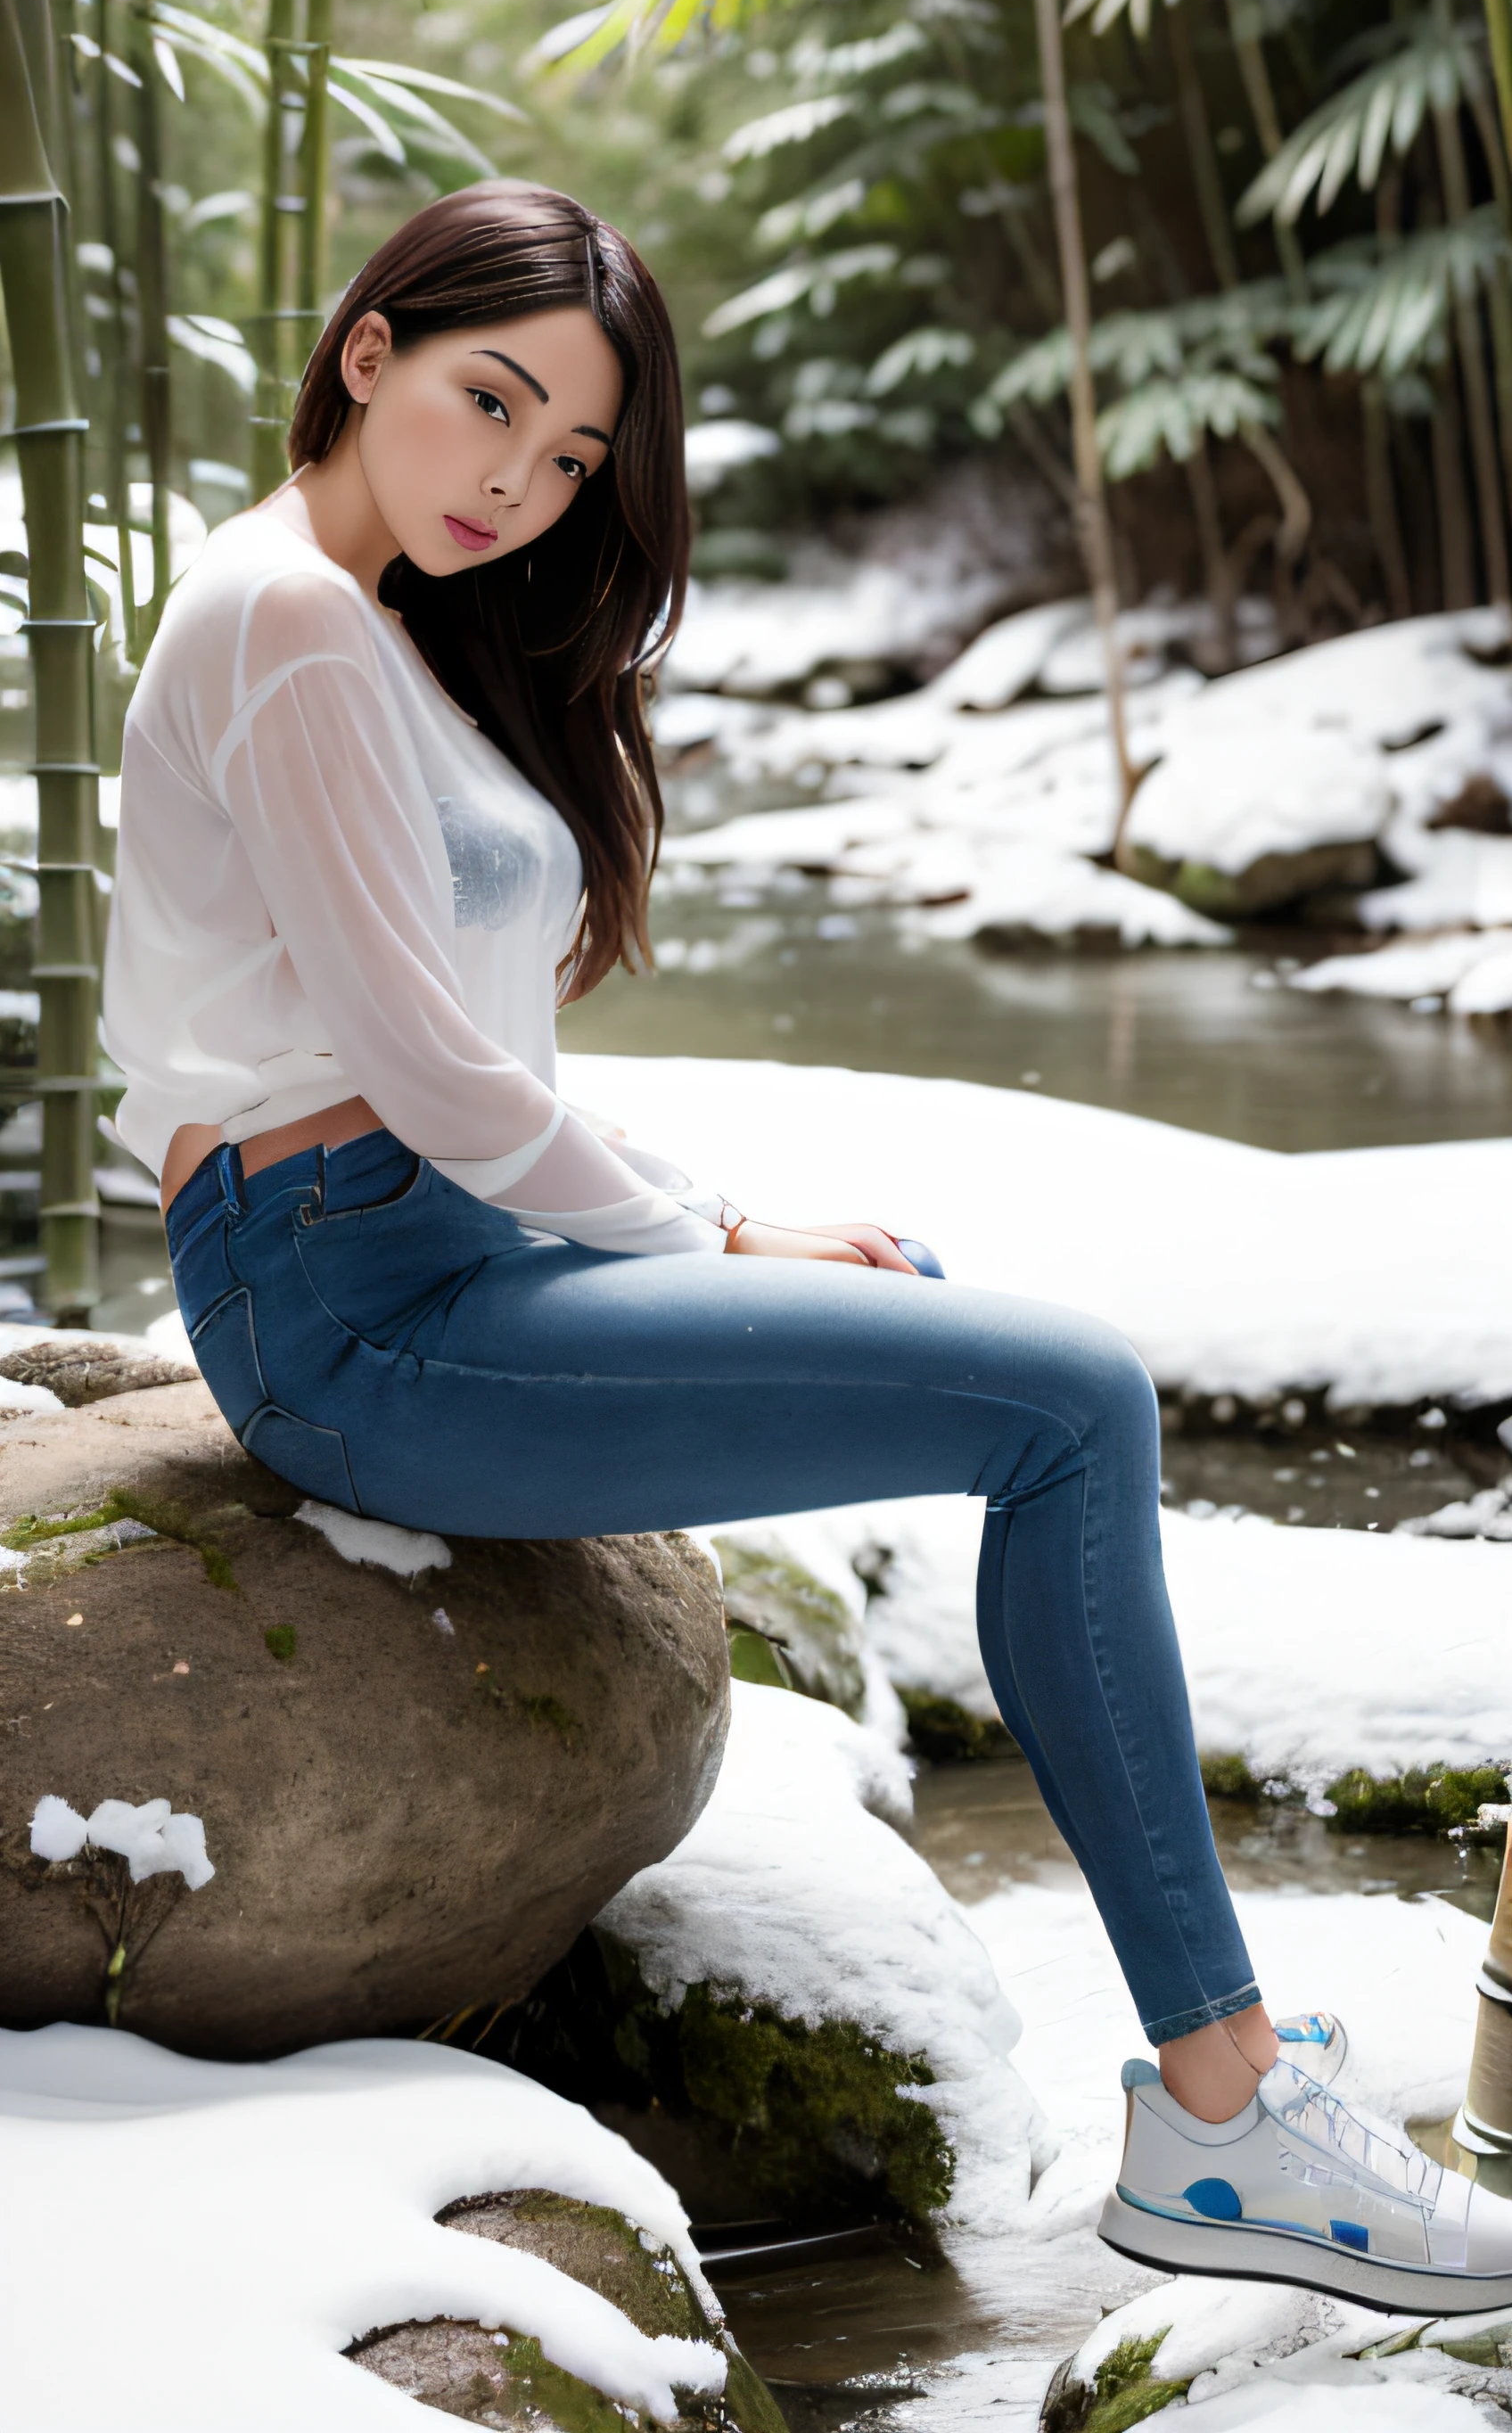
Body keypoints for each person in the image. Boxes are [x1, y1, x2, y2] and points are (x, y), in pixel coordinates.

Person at [103, 178, 1512, 2315]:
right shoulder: (291, 619)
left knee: (967, 1338)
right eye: (493, 404)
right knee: (1071, 1401)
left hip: (416, 1247)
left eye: (571, 454)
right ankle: (1221, 2116)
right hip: (352, 1309)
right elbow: (430, 1073)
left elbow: (467, 1056)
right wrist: (710, 1222)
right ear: (366, 346)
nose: (520, 481)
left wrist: (708, 1221)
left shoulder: (360, 611)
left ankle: (1216, 2087)